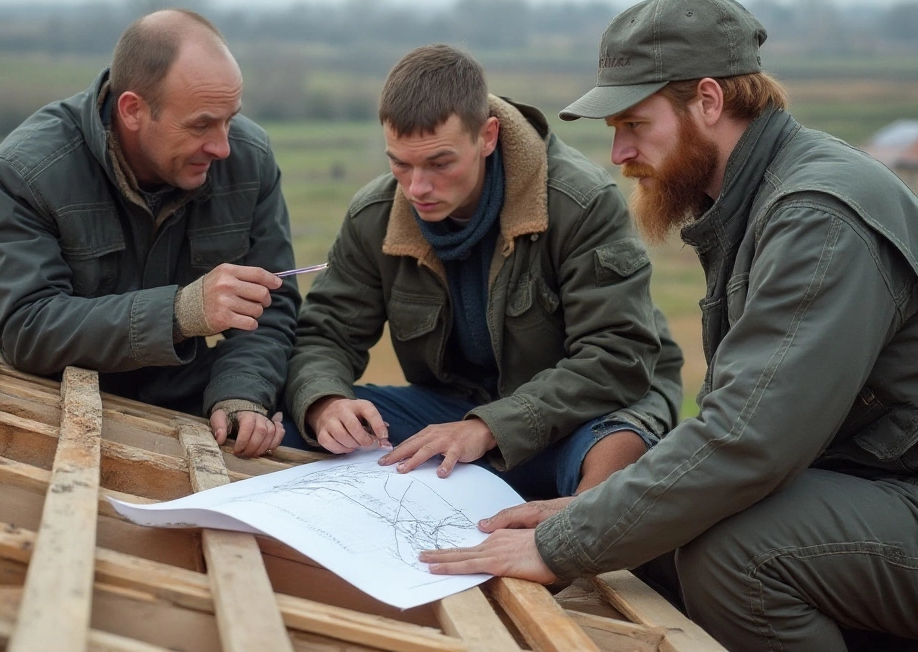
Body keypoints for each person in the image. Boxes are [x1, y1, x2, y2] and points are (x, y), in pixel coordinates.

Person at [420, 0, 918, 651]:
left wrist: (562, 542)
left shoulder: (816, 218)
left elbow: (748, 441)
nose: (619, 156)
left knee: (733, 558)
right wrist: (589, 515)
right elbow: (742, 422)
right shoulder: (762, 194)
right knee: (649, 532)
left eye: (634, 124)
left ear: (709, 101)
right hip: (873, 491)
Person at [283, 44, 683, 501]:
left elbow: (617, 357)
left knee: (613, 462)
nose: (417, 187)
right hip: (454, 411)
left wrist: (491, 428)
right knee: (299, 421)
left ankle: (567, 537)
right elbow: (326, 334)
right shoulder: (374, 215)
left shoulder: (581, 203)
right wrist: (326, 404)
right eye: (400, 162)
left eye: (440, 163)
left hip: (582, 414)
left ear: (487, 136)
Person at [0, 9, 297, 458]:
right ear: (132, 110)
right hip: (51, 403)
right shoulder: (29, 171)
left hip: (189, 404)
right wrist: (181, 312)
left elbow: (271, 306)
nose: (222, 146)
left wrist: (241, 394)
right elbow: (27, 326)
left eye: (230, 120)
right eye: (201, 124)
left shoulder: (248, 158)